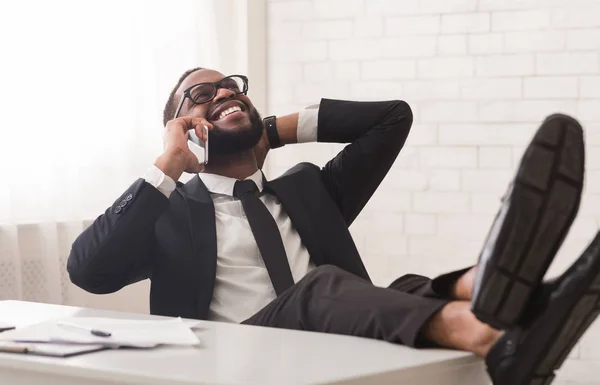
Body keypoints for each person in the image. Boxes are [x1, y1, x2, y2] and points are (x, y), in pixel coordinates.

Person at [68, 67, 598, 385]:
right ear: (183, 128)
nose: (224, 92)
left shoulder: (307, 189)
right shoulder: (166, 211)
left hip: (334, 338)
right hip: (233, 362)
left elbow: (392, 118)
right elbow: (88, 270)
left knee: (404, 288)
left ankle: (510, 292)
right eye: (202, 96)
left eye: (232, 86)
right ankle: (490, 327)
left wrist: (265, 131)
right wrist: (171, 161)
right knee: (318, 289)